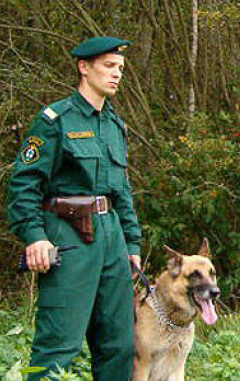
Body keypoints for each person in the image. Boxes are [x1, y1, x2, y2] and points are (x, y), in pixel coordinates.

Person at [7, 36, 141, 380]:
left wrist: (132, 245)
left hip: (112, 238)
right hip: (68, 237)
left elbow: (121, 191)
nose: (117, 75)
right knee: (57, 346)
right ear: (84, 67)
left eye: (121, 68)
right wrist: (35, 236)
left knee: (119, 345)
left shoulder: (115, 126)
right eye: (109, 66)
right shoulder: (55, 120)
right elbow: (24, 183)